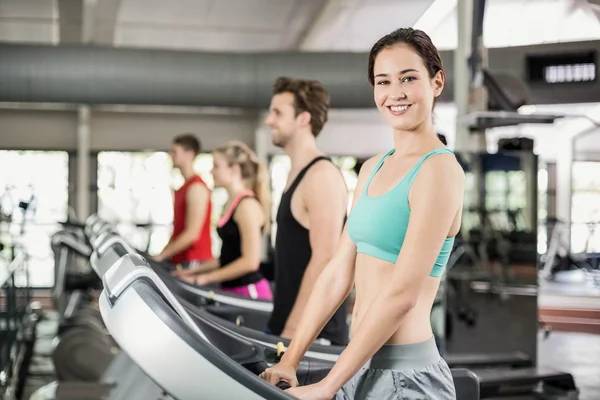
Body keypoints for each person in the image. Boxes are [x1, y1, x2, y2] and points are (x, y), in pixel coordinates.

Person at [260, 27, 464, 400]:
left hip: (408, 378)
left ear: (436, 82)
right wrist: (291, 357)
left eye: (408, 78)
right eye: (383, 81)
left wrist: (327, 385)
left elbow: (402, 294)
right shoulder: (372, 169)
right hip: (359, 365)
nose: (395, 93)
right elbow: (337, 272)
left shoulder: (439, 170)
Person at [264, 76, 349, 345]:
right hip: (288, 327)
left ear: (303, 119)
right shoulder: (297, 173)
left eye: (278, 113)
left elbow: (324, 259)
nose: (269, 121)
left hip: (311, 336)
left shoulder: (321, 175)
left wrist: (292, 331)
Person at [174, 141, 273, 300]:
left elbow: (250, 262)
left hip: (249, 292)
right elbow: (228, 257)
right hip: (231, 289)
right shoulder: (232, 203)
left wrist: (203, 279)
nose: (212, 171)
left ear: (234, 170)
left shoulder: (247, 206)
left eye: (216, 166)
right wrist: (192, 271)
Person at [153, 134, 213, 270]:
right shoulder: (183, 187)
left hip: (194, 261)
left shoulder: (196, 188)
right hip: (180, 260)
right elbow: (178, 232)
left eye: (175, 151)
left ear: (189, 154)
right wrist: (162, 253)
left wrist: (162, 256)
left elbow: (192, 233)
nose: (171, 155)